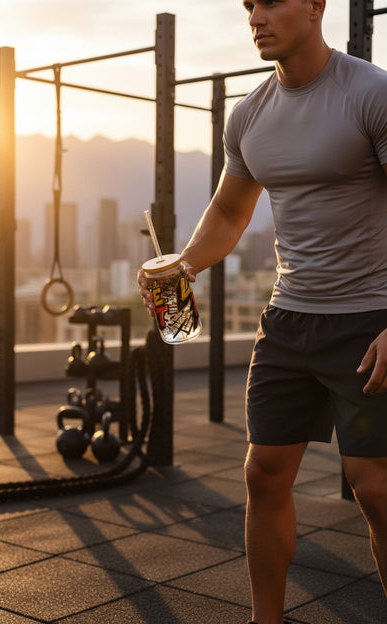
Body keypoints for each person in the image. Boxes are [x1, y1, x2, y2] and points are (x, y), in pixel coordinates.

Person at [137, 1, 387, 622]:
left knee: (374, 487)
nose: (256, 16)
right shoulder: (249, 115)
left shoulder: (371, 93)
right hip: (288, 321)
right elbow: (228, 213)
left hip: (368, 317)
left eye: (271, 1)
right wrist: (184, 266)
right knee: (263, 475)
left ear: (315, 5)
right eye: (249, 4)